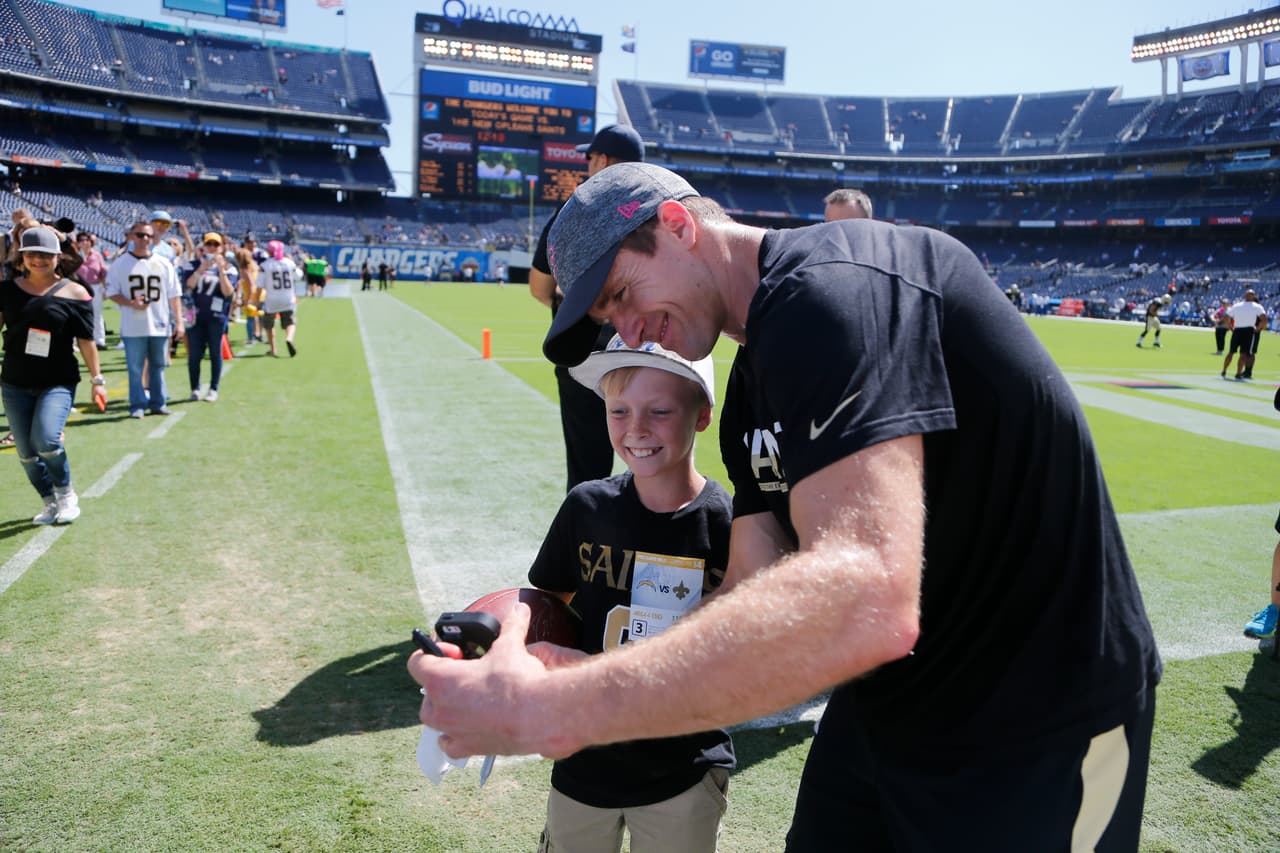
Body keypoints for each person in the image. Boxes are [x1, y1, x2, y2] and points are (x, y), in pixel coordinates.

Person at [411, 163, 1162, 852]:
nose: (629, 330)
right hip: (895, 702)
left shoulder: (842, 282)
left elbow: (863, 595)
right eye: (610, 319)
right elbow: (749, 592)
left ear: (677, 224)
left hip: (1043, 716)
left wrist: (559, 709)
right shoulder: (750, 394)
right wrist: (587, 664)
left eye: (623, 293)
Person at [528, 336, 734, 853]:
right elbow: (547, 599)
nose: (636, 428)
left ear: (702, 415)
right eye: (618, 410)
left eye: (659, 410)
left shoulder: (727, 522)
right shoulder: (587, 505)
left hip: (682, 764)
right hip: (585, 753)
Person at [530, 123, 646, 492]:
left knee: (587, 465)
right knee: (651, 454)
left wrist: (581, 307)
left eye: (591, 157)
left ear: (603, 160)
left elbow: (539, 287)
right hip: (645, 350)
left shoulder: (575, 209)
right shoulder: (658, 208)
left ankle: (588, 540)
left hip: (582, 351)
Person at [0, 226, 104, 524]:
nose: (38, 260)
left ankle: (66, 493)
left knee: (46, 440)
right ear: (22, 257)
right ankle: (48, 501)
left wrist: (98, 380)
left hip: (57, 381)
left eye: (45, 254)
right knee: (26, 453)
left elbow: (86, 341)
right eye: (32, 254)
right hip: (14, 382)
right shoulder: (7, 290)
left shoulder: (76, 293)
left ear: (58, 257)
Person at [105, 220, 184, 418]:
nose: (145, 239)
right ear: (131, 236)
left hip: (160, 324)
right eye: (140, 235)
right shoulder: (120, 264)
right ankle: (137, 404)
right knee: (135, 368)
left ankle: (158, 402)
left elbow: (174, 294)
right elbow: (111, 291)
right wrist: (130, 302)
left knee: (158, 366)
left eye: (148, 236)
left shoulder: (164, 263)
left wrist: (179, 321)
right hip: (133, 325)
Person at [184, 232, 238, 402]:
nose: (212, 248)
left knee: (215, 353)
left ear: (222, 247)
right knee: (194, 355)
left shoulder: (230, 268)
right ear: (204, 245)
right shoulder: (192, 265)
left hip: (217, 316)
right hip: (196, 316)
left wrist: (221, 269)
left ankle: (214, 388)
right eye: (209, 244)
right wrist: (202, 268)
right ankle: (195, 388)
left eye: (216, 245)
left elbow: (228, 292)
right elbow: (188, 285)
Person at [257, 240, 299, 357]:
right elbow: (298, 276)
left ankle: (273, 349)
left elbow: (259, 286)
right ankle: (289, 338)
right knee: (290, 322)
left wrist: (256, 301)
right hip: (288, 298)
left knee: (269, 325)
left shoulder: (265, 265)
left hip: (272, 300)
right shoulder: (289, 263)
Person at [1221, 289, 1268, 380]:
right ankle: (1238, 373)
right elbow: (1264, 319)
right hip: (1248, 330)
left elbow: (1226, 317)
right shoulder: (1257, 306)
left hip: (1237, 329)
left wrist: (1230, 327)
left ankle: (1224, 370)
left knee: (1231, 352)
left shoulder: (1237, 305)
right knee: (1243, 354)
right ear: (1253, 296)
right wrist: (1258, 328)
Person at [74, 232, 108, 349]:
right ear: (78, 243)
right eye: (81, 240)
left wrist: (105, 289)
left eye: (86, 240)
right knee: (77, 315)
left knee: (97, 314)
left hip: (95, 287)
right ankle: (75, 342)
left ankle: (99, 340)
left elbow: (102, 272)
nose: (84, 242)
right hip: (79, 288)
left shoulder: (97, 255)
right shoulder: (75, 256)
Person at [233, 246, 262, 345]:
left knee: (250, 318)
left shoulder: (244, 270)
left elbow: (251, 284)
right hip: (260, 294)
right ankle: (258, 334)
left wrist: (248, 299)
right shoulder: (254, 264)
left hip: (251, 295)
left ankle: (250, 338)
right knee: (257, 316)